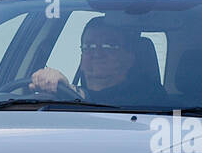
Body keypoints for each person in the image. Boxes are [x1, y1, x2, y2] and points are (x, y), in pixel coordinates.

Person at [29, 21, 158, 101]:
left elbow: (109, 103)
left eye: (108, 46)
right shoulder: (62, 100)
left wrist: (70, 90)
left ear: (129, 57)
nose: (96, 54)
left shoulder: (150, 98)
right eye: (88, 47)